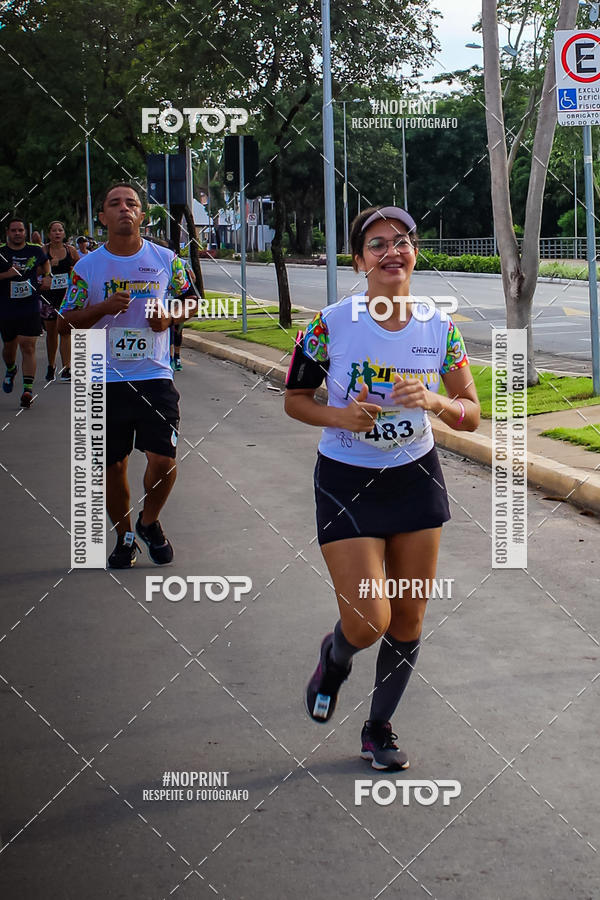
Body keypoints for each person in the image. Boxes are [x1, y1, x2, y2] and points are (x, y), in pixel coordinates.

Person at [284, 205, 480, 771]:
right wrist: (340, 417)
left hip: (415, 478)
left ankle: (378, 728)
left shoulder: (439, 326)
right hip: (347, 479)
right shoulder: (330, 325)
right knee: (371, 619)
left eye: (402, 241)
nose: (392, 251)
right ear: (358, 261)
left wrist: (436, 401)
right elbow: (294, 400)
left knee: (409, 619)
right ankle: (336, 655)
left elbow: (471, 413)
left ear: (414, 254)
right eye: (378, 244)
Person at [59, 183, 197, 568]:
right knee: (112, 466)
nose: (124, 208)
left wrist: (170, 317)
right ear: (102, 217)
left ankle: (148, 522)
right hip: (104, 378)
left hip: (154, 376)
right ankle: (124, 537)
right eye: (115, 204)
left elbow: (192, 301)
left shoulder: (167, 259)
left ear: (142, 215)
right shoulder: (86, 268)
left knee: (164, 460)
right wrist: (101, 308)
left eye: (132, 203)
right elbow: (64, 322)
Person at [0, 217, 51, 408]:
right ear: (8, 232)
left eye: (20, 230)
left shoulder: (34, 250)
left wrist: (48, 276)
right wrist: (8, 274)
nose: (17, 233)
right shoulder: (1, 252)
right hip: (6, 307)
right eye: (13, 230)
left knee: (28, 346)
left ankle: (27, 390)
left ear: (25, 232)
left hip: (29, 305)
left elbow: (45, 263)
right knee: (9, 348)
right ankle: (11, 368)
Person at [40, 221, 79, 381]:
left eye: (60, 230)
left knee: (65, 332)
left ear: (64, 233)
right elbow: (34, 270)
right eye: (54, 230)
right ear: (49, 234)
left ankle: (66, 368)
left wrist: (73, 272)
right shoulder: (43, 251)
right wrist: (48, 266)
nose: (57, 233)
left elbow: (80, 269)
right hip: (49, 297)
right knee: (51, 333)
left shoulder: (71, 251)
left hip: (66, 297)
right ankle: (51, 365)